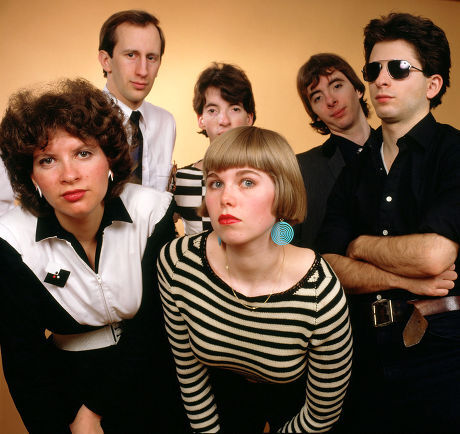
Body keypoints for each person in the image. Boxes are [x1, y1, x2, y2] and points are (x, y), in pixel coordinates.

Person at [0, 78, 186, 433]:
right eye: (48, 160)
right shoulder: (11, 238)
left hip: (155, 375)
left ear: (110, 158)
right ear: (31, 174)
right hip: (65, 389)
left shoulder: (152, 211)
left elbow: (154, 324)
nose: (69, 175)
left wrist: (95, 410)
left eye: (83, 153)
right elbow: (23, 357)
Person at [317, 12, 460, 433]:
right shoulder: (354, 171)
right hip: (360, 352)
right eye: (373, 70)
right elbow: (327, 265)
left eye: (398, 69)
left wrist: (358, 245)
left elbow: (433, 256)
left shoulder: (453, 153)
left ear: (432, 85)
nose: (381, 80)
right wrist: (406, 278)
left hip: (442, 352)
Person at [159, 126, 352, 432]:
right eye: (215, 183)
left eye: (247, 182)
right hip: (219, 402)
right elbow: (188, 374)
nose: (226, 197)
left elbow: (322, 413)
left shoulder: (319, 291)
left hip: (296, 410)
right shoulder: (178, 262)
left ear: (282, 192)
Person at [294, 53, 378, 249]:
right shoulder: (299, 169)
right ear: (315, 114)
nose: (330, 100)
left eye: (337, 86)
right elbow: (283, 243)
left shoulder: (402, 150)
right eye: (317, 97)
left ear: (358, 89)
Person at [173, 62, 255, 234]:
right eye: (212, 110)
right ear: (201, 120)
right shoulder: (180, 179)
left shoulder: (267, 174)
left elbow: (284, 235)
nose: (224, 121)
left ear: (249, 118)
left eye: (234, 109)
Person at [98, 10, 175, 191]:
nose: (143, 71)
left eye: (151, 58)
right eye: (131, 55)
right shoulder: (80, 121)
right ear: (106, 60)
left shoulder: (166, 123)